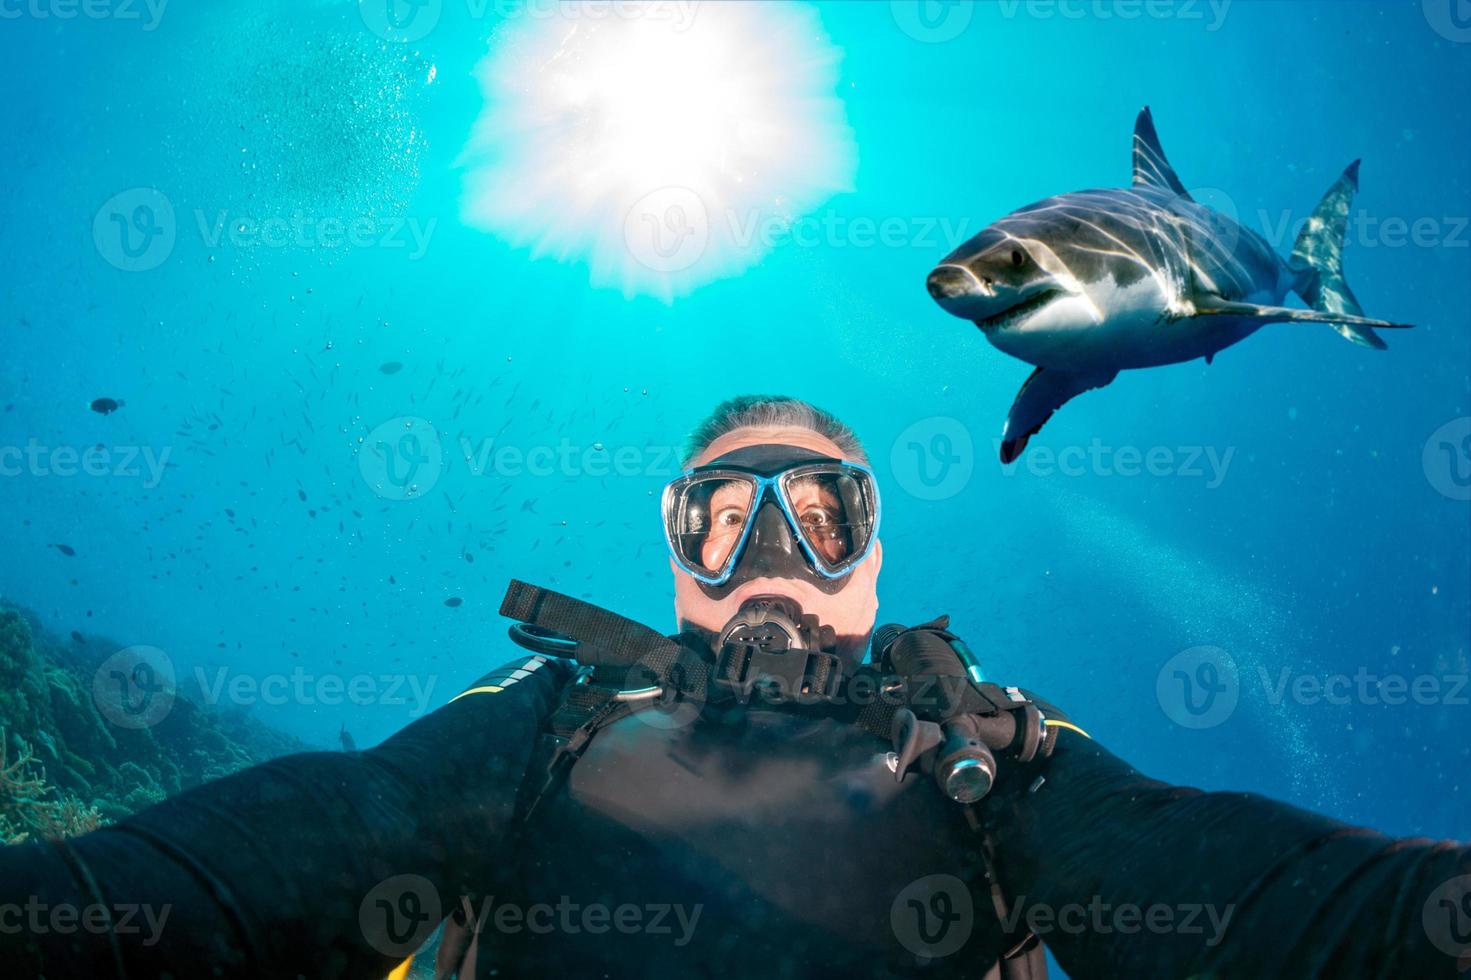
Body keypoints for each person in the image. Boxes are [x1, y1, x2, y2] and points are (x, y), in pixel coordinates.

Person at [1, 396, 1467, 980]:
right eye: (725, 516)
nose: (773, 556)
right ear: (678, 552)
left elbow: (1267, 903)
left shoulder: (990, 756)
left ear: (873, 560)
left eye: (820, 515)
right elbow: (272, 851)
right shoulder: (546, 725)